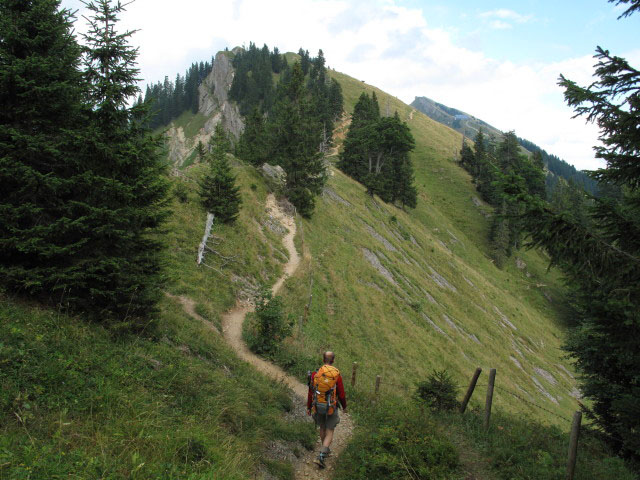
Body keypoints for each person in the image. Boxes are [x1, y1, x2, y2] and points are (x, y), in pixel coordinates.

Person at [307, 351, 347, 468]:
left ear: (323, 359)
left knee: (322, 427)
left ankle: (324, 449)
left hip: (317, 405)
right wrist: (344, 407)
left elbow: (311, 392)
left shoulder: (316, 373)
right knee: (330, 431)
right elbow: (342, 394)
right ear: (333, 360)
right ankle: (321, 455)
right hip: (331, 406)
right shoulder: (336, 375)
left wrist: (309, 407)